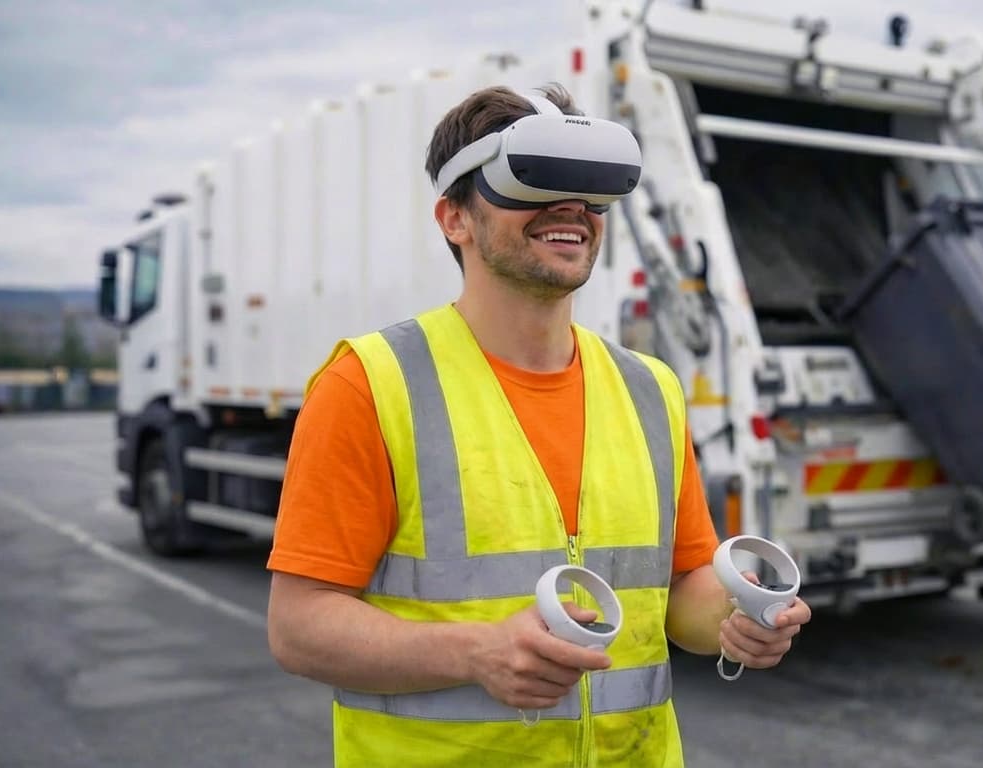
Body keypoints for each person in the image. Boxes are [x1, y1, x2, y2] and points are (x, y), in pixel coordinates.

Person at [266, 83, 811, 767]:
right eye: (533, 180)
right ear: (455, 218)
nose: (571, 209)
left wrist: (734, 621)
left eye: (588, 190)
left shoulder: (651, 390)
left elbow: (679, 590)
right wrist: (474, 652)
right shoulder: (371, 385)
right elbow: (299, 626)